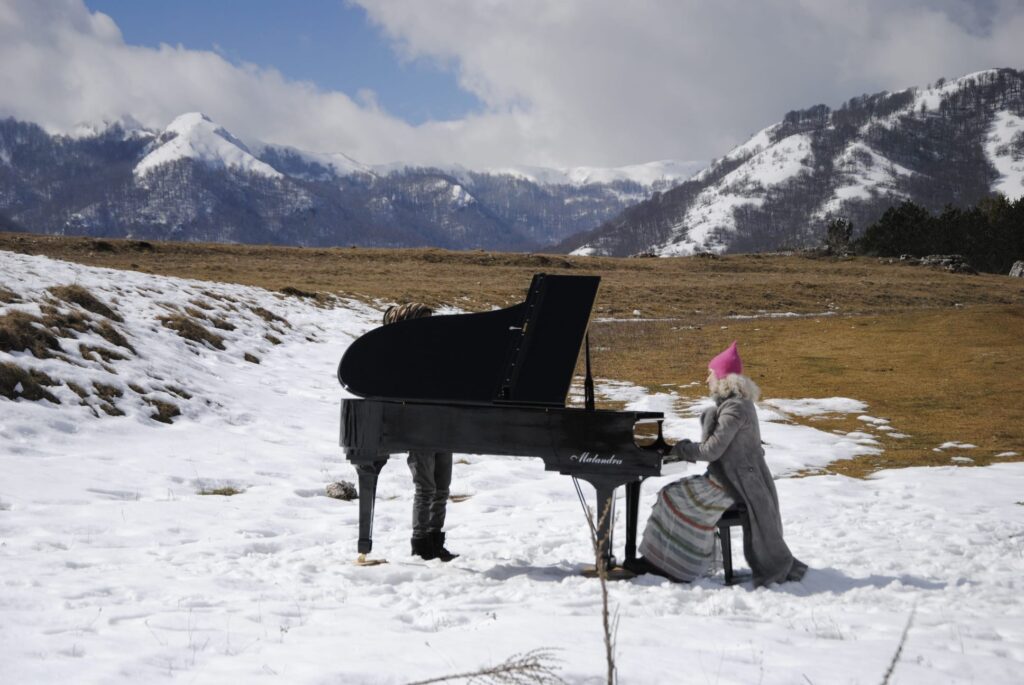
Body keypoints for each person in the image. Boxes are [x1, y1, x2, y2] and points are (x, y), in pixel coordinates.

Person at [632, 341, 807, 586]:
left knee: (671, 496)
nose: (707, 379)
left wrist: (681, 448)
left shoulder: (734, 409)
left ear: (723, 378)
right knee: (672, 494)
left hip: (733, 485)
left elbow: (711, 450)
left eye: (711, 373)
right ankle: (667, 560)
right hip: (735, 479)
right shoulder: (739, 404)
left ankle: (674, 565)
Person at [381, 303, 459, 562]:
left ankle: (435, 541)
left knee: (442, 487)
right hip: (419, 427)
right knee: (425, 488)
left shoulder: (432, 351)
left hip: (441, 423)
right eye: (422, 320)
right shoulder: (400, 356)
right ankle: (420, 543)